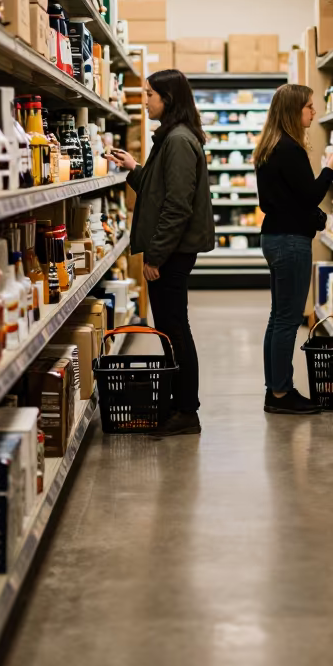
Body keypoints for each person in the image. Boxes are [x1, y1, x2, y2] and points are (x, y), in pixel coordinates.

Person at [110, 69, 214, 437]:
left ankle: (186, 411)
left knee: (175, 329)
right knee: (169, 328)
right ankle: (178, 402)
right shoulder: (171, 137)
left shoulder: (179, 141)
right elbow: (159, 191)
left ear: (167, 99)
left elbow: (177, 206)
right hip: (171, 250)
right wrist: (134, 169)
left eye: (149, 94)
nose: (145, 101)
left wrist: (155, 256)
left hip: (172, 252)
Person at [254, 83, 333, 414]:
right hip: (290, 242)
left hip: (274, 236)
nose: (313, 111)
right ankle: (282, 393)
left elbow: (287, 198)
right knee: (287, 319)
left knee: (278, 317)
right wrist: (331, 166)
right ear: (294, 111)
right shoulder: (290, 149)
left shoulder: (269, 146)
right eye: (309, 106)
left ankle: (275, 388)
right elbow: (309, 196)